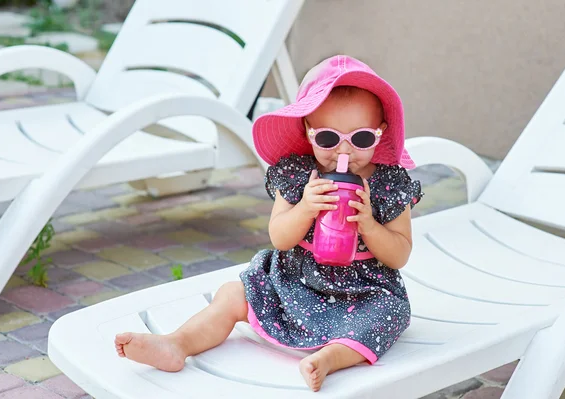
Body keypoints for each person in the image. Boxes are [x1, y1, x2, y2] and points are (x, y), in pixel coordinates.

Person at [114, 55, 423, 392]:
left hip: (361, 290)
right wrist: (306, 207)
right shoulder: (298, 174)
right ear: (308, 132)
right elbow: (279, 236)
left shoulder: (389, 184)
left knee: (391, 311)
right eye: (327, 139)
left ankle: (330, 359)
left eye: (361, 139)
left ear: (380, 134)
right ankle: (177, 343)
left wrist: (369, 225)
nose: (343, 150)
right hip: (294, 281)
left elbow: (399, 254)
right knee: (233, 294)